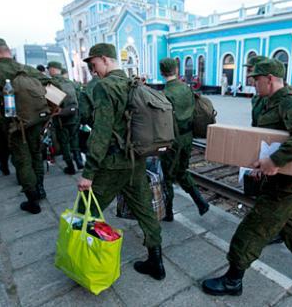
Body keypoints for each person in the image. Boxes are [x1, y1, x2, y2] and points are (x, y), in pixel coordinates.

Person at [202, 59, 292, 297]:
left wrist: (275, 160)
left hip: (287, 186)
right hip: (281, 182)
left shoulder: (287, 101)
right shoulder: (271, 101)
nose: (253, 84)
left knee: (251, 230)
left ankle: (232, 281)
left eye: (256, 80)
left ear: (269, 79)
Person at [77, 43, 165, 280]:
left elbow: (101, 132)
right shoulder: (132, 82)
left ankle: (84, 257)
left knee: (87, 207)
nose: (93, 71)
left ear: (105, 59)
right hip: (136, 159)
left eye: (94, 64)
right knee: (145, 209)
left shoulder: (105, 87)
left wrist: (89, 172)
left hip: (114, 163)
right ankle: (156, 261)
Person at [0, 38, 51, 214]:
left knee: (23, 160)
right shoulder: (25, 68)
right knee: (36, 154)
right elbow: (52, 86)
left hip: (15, 124)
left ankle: (32, 200)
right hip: (36, 119)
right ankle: (40, 189)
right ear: (8, 51)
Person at [158, 58, 210, 221]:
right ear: (176, 71)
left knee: (167, 177)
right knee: (181, 171)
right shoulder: (187, 89)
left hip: (173, 141)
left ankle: (168, 212)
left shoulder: (164, 94)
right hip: (188, 138)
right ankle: (201, 202)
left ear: (161, 73)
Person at [47, 61, 82, 174]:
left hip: (61, 120)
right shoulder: (71, 82)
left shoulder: (52, 84)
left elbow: (52, 105)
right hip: (74, 117)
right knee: (75, 140)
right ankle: (79, 162)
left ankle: (70, 167)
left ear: (52, 69)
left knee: (65, 143)